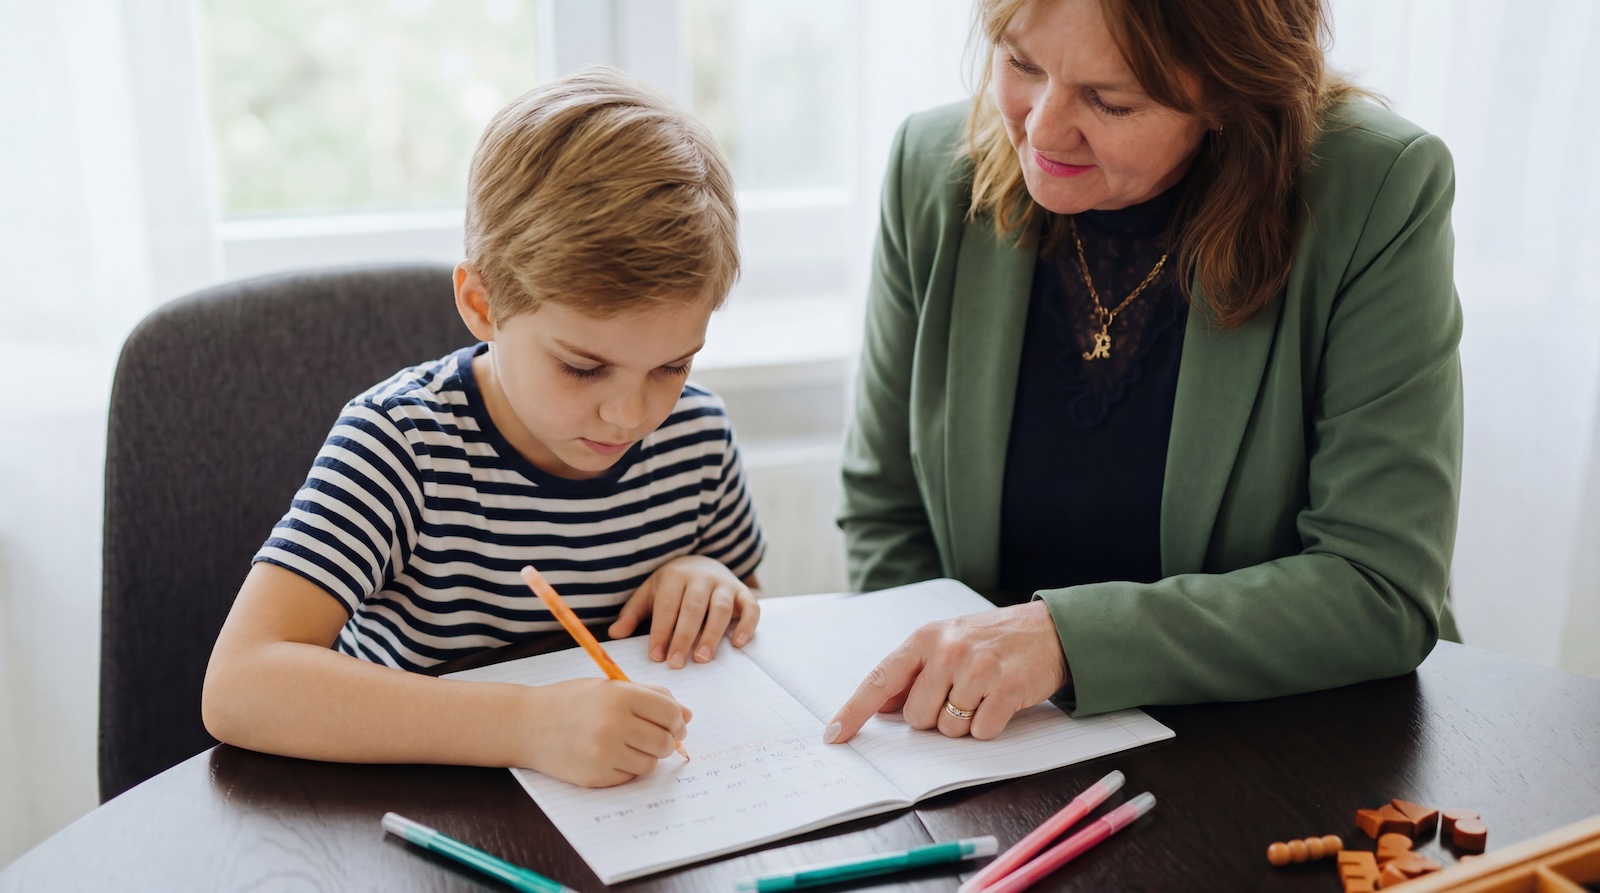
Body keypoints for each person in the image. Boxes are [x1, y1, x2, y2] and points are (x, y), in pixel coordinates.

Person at [825, 0, 1462, 746]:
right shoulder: (930, 169)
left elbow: (1378, 587)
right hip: (995, 751)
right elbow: (886, 510)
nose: (1042, 128)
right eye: (1022, 63)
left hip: (1289, 749)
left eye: (1110, 100)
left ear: (1229, 91)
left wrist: (1064, 641)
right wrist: (934, 698)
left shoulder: (1378, 190)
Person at [202, 67, 767, 788]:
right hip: (428, 821)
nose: (632, 415)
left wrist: (713, 580)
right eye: (584, 368)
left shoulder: (696, 435)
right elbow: (241, 684)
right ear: (481, 303)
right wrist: (524, 725)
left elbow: (749, 606)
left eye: (671, 366)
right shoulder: (399, 446)